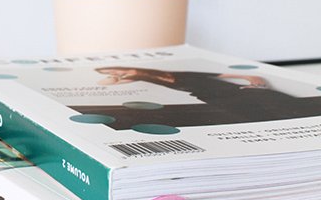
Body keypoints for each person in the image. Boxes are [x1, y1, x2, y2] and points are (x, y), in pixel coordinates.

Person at [66, 65, 321, 131]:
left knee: (263, 105)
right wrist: (114, 76)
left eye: (113, 70)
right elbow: (104, 82)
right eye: (111, 71)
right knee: (247, 112)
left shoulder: (174, 73)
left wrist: (250, 80)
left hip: (217, 88)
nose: (114, 73)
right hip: (207, 93)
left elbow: (219, 74)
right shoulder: (134, 76)